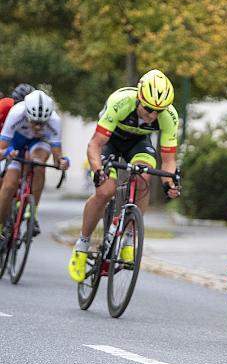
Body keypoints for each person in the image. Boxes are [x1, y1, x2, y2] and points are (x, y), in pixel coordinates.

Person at [67, 69, 181, 282]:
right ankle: (82, 245)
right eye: (148, 109)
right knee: (105, 191)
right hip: (110, 142)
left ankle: (129, 237)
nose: (153, 115)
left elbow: (168, 160)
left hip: (138, 145)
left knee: (143, 177)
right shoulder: (121, 102)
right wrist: (98, 170)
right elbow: (95, 144)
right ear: (139, 98)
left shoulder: (169, 116)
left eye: (159, 110)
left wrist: (169, 183)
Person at [0, 90, 69, 236]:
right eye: (34, 122)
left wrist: (62, 162)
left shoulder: (55, 121)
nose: (38, 127)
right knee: (9, 186)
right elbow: (2, 148)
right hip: (16, 142)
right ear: (27, 115)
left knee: (39, 163)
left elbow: (57, 155)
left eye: (42, 123)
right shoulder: (16, 114)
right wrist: (7, 153)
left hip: (39, 143)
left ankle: (32, 211)